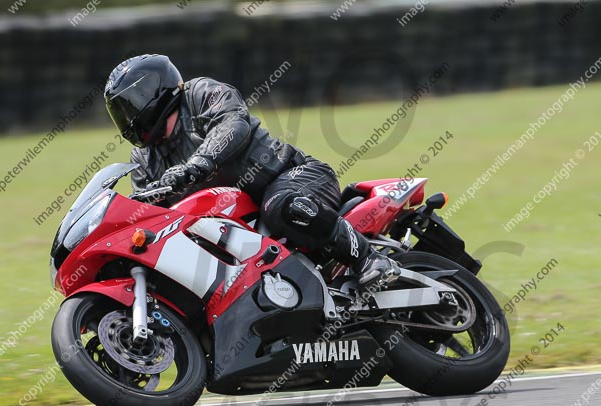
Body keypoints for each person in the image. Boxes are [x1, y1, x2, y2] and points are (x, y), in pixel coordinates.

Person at [104, 54, 400, 285]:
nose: (127, 118)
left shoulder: (199, 94)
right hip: (235, 225)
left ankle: (368, 258)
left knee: (281, 206)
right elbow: (145, 212)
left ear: (154, 92)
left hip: (293, 177)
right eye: (120, 112)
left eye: (131, 106)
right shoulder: (144, 160)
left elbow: (232, 124)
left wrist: (197, 165)